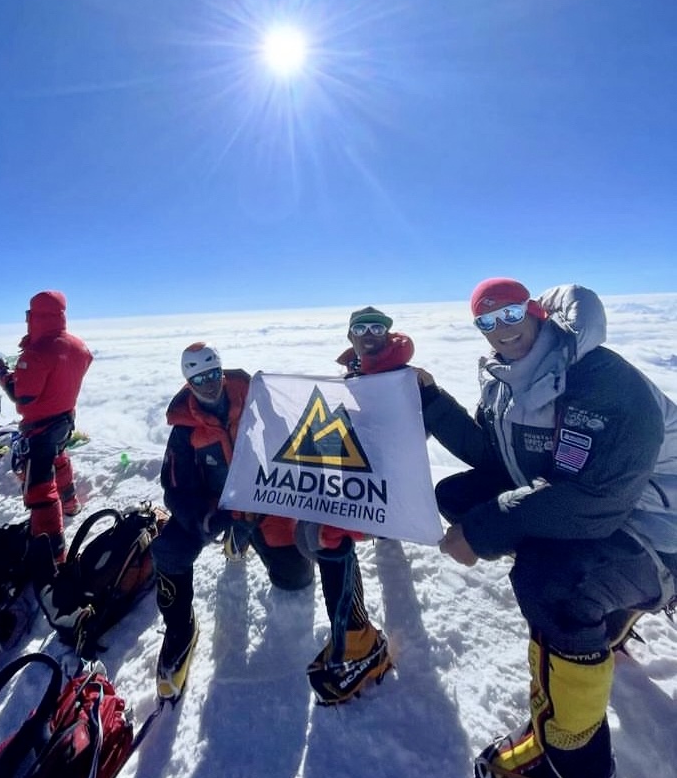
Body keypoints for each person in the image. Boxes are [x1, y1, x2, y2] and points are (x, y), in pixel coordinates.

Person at [415, 279, 677, 778]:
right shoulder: (505, 381)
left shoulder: (598, 378)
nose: (501, 330)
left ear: (535, 310)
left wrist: (484, 532)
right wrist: (432, 400)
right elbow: (495, 458)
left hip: (661, 530)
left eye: (510, 313)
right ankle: (603, 609)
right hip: (605, 514)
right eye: (486, 322)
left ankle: (571, 754)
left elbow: (596, 502)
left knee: (548, 580)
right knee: (459, 497)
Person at [153, 342, 314, 699]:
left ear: (221, 372)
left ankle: (243, 540)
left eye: (212, 374)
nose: (207, 383)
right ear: (188, 381)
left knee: (296, 579)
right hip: (220, 508)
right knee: (168, 550)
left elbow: (294, 447)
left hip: (266, 504)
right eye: (198, 378)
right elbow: (175, 488)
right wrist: (205, 518)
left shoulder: (259, 401)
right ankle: (180, 629)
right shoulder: (185, 428)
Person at [296, 305, 414, 704]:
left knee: (331, 536)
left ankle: (360, 641)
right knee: (319, 526)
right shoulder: (354, 376)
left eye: (377, 327)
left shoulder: (403, 377)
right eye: (360, 328)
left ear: (388, 333)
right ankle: (353, 633)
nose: (369, 333)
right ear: (350, 337)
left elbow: (409, 437)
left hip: (389, 486)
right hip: (362, 478)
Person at [0, 290, 93, 562]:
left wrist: (3, 375)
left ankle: (53, 552)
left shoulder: (36, 353)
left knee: (39, 485)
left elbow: (23, 396)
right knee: (58, 457)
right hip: (65, 419)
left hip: (40, 427)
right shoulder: (78, 346)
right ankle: (70, 504)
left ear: (35, 316)